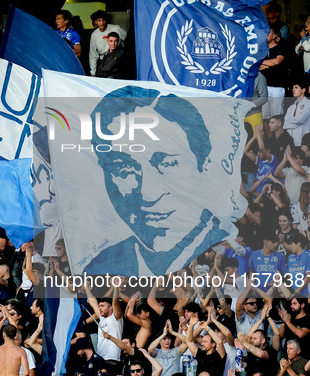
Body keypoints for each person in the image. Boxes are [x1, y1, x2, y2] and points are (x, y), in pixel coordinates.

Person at [84, 86, 232, 277]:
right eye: (123, 169)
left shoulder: (226, 253)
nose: (147, 194)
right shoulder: (99, 268)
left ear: (203, 164)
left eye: (167, 163)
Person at [89, 10, 127, 77]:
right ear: (95, 22)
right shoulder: (94, 35)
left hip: (117, 59)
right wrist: (93, 72)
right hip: (104, 61)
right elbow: (93, 55)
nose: (102, 23)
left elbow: (127, 39)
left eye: (103, 20)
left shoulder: (116, 28)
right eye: (99, 20)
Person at [283, 80, 310, 147]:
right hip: (292, 141)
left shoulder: (309, 103)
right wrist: (296, 122)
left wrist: (291, 122)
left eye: (296, 87)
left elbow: (300, 120)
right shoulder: (291, 107)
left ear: (303, 90)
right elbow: (285, 124)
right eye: (293, 88)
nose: (293, 90)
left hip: (304, 141)